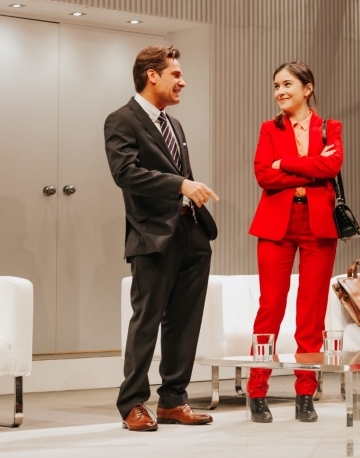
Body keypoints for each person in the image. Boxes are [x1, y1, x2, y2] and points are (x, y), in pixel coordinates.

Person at [105, 45, 220, 432]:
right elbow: (125, 173)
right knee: (147, 320)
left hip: (191, 233)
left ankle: (173, 400)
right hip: (152, 236)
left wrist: (187, 195)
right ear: (152, 75)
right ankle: (132, 403)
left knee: (185, 321)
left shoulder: (174, 125)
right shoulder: (121, 120)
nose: (182, 81)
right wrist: (180, 184)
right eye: (176, 74)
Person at [247, 62, 343, 423]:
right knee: (270, 307)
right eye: (276, 86)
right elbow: (263, 175)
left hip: (318, 223)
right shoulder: (268, 128)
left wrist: (285, 163)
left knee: (311, 312)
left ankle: (305, 393)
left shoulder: (330, 127)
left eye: (287, 84)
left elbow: (331, 167)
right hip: (277, 224)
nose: (280, 92)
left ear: (308, 88)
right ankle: (257, 390)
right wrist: (310, 167)